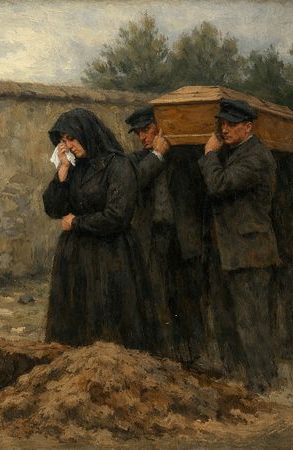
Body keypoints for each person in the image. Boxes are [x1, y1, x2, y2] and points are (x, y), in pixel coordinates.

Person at [42, 108, 156, 352]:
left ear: (87, 133)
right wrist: (62, 173)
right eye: (63, 141)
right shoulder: (73, 167)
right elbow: (53, 209)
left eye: (71, 138)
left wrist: (76, 223)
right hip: (75, 258)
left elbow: (118, 216)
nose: (68, 146)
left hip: (111, 256)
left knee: (108, 328)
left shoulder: (119, 165)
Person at [199, 99, 280, 391]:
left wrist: (209, 153)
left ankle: (261, 380)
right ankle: (237, 373)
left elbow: (219, 185)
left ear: (248, 127)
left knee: (251, 320)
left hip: (250, 251)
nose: (225, 129)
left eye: (231, 124)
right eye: (222, 124)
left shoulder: (256, 156)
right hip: (231, 250)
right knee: (229, 316)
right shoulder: (235, 152)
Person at [126, 107, 206, 367]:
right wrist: (157, 154)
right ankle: (163, 352)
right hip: (152, 238)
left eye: (147, 130)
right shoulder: (137, 160)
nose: (142, 137)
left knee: (187, 295)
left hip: (183, 237)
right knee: (156, 294)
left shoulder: (184, 158)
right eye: (138, 133)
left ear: (161, 128)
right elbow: (133, 183)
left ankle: (194, 353)